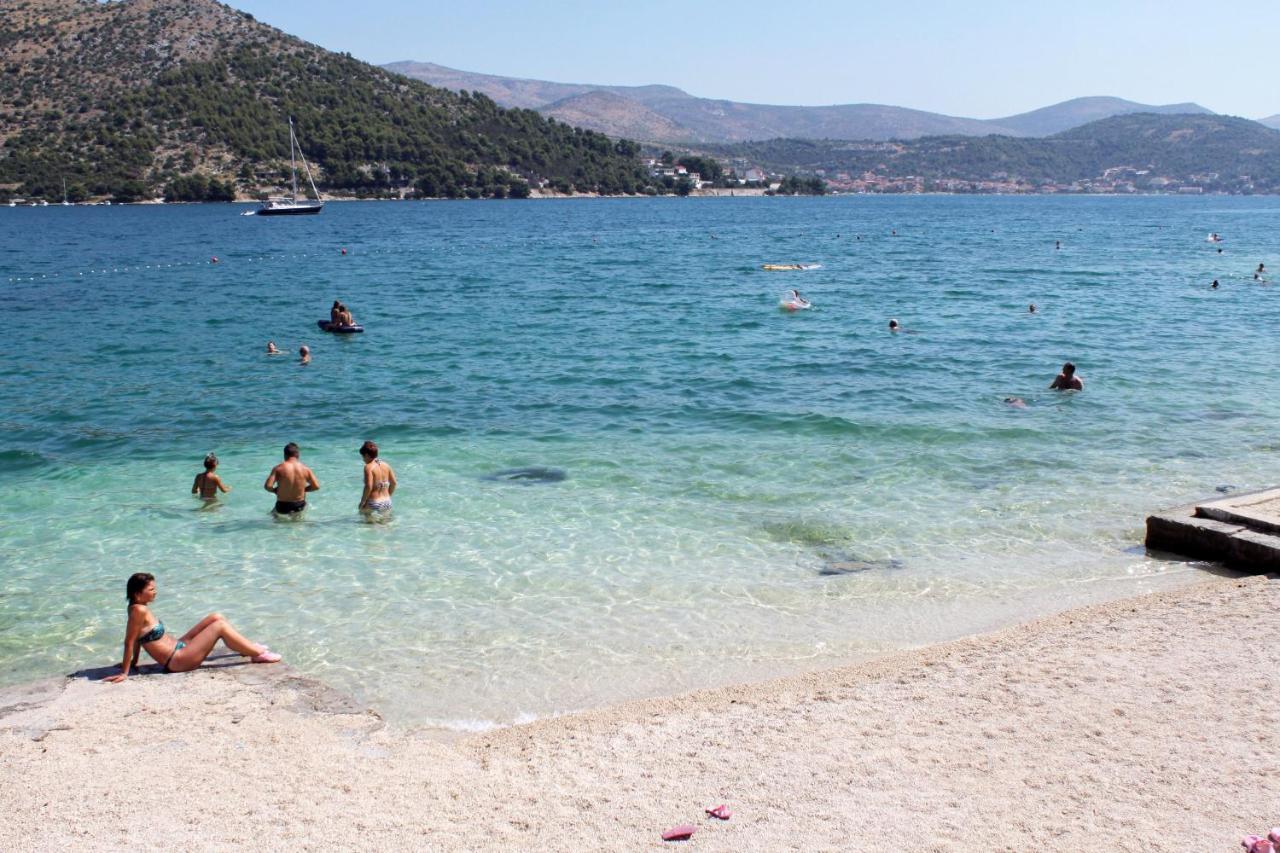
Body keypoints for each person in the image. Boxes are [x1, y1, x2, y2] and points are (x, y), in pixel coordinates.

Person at [102, 573, 280, 682]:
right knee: (219, 627)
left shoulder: (138, 608)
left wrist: (134, 662)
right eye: (151, 589)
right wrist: (125, 671)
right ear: (137, 593)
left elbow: (139, 638)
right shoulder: (138, 610)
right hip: (178, 661)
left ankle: (246, 648)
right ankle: (257, 655)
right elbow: (130, 641)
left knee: (215, 617)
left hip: (180, 647)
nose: (155, 592)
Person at [264, 442, 319, 517]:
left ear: (285, 455)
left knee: (274, 519)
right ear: (298, 455)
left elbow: (268, 486)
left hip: (282, 506)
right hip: (299, 505)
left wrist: (275, 491)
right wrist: (303, 489)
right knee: (299, 525)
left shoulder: (278, 468)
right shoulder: (306, 469)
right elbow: (316, 486)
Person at [358, 440, 397, 519]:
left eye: (363, 457)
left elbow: (368, 486)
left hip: (374, 502)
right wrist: (388, 495)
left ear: (366, 455)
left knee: (369, 527)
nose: (363, 459)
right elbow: (394, 483)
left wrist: (362, 502)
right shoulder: (386, 465)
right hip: (387, 502)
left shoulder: (368, 467)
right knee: (385, 526)